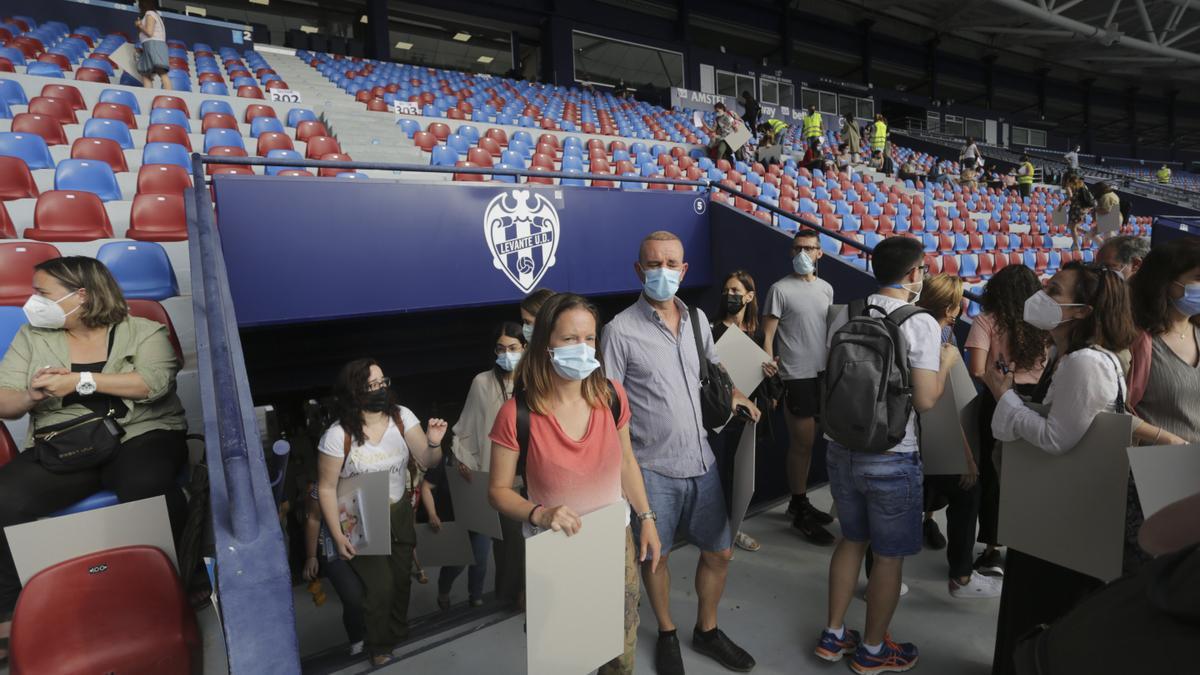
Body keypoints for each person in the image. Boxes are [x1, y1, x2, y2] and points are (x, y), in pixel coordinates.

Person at [980, 262, 1182, 675]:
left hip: (1063, 523)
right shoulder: (1067, 355)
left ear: (1082, 311)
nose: (1041, 296)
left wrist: (1005, 398)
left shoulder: (1084, 363)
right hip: (1054, 517)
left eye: (1054, 291)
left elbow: (1057, 438)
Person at [602, 231, 760, 674]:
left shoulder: (694, 320)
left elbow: (714, 372)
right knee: (657, 557)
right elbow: (611, 409)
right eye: (654, 264)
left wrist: (738, 396)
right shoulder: (619, 331)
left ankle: (706, 630)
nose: (663, 272)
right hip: (651, 469)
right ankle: (668, 630)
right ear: (639, 270)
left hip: (702, 461)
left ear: (684, 270)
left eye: (672, 264)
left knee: (720, 552)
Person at [0, 256, 188, 623]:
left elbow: (153, 384)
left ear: (81, 296)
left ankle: (178, 579)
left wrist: (80, 381)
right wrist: (30, 397)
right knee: (4, 498)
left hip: (142, 432)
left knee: (146, 483)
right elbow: (5, 400)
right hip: (66, 440)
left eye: (42, 293)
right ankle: (10, 612)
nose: (32, 301)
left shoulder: (145, 330)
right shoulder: (31, 337)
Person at [488, 293, 662, 675]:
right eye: (569, 339)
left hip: (613, 545)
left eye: (589, 338)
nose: (582, 348)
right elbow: (498, 490)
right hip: (556, 553)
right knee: (565, 660)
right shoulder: (516, 413)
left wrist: (646, 517)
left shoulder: (612, 395)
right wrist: (540, 512)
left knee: (618, 653)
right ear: (545, 342)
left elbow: (627, 462)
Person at [815, 236, 958, 673]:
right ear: (915, 273)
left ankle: (833, 634)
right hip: (893, 454)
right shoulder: (921, 323)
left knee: (850, 540)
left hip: (842, 447)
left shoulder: (848, 311)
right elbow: (927, 399)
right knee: (889, 556)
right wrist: (948, 361)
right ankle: (873, 649)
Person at [316, 359, 447, 667]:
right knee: (380, 587)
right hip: (362, 513)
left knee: (402, 579)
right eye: (370, 385)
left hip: (399, 509)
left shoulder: (402, 417)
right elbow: (325, 489)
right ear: (354, 392)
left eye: (382, 382)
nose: (380, 389)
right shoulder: (337, 436)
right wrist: (337, 535)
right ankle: (379, 645)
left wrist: (434, 442)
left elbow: (428, 460)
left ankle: (397, 630)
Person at [914, 275, 1002, 599]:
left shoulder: (920, 328)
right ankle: (961, 577)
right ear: (951, 307)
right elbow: (940, 404)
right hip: (926, 435)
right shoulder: (937, 340)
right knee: (968, 489)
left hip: (911, 436)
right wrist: (966, 457)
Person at [964, 265, 1050, 578]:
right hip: (1037, 400)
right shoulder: (1043, 323)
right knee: (1031, 472)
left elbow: (976, 369)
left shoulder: (986, 321)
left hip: (999, 399)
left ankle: (992, 550)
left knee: (994, 474)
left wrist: (1001, 382)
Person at [440, 322, 526, 609]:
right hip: (490, 475)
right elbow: (467, 427)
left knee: (516, 543)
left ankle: (512, 596)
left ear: (524, 348)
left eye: (512, 348)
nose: (506, 354)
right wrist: (463, 456)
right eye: (500, 348)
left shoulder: (535, 381)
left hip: (527, 474)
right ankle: (453, 586)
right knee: (476, 546)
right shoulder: (482, 383)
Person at [762, 231, 835, 545]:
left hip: (824, 376)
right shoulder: (779, 289)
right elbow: (768, 337)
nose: (803, 252)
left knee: (817, 442)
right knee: (802, 444)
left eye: (809, 248)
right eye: (798, 248)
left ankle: (798, 501)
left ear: (820, 253)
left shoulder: (826, 289)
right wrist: (772, 377)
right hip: (795, 376)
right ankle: (800, 505)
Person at [711, 270, 782, 553]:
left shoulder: (757, 333)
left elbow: (769, 373)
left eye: (737, 291)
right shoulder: (712, 330)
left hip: (750, 414)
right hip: (720, 414)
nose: (731, 296)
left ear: (750, 296)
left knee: (742, 475)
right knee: (721, 473)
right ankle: (718, 530)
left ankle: (735, 526)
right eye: (727, 290)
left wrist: (770, 371)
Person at [1126, 237, 1200, 444]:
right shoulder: (1137, 340)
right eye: (1199, 277)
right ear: (1166, 281)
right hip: (1154, 467)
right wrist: (1166, 439)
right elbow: (1111, 410)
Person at [302, 483, 366, 655]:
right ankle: (357, 641)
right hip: (332, 550)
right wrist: (311, 556)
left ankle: (373, 635)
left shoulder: (364, 470)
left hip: (363, 544)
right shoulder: (320, 487)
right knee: (352, 597)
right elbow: (314, 519)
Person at [134, 0, 172, 90]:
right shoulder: (153, 14)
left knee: (161, 72)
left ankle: (169, 96)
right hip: (151, 46)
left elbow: (149, 32)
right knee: (145, 73)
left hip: (154, 45)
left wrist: (139, 25)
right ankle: (148, 96)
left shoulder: (150, 14)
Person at [1064, 174, 1097, 252]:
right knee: (1071, 226)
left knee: (1073, 228)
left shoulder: (1073, 187)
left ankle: (1076, 245)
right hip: (1080, 209)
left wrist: (1064, 202)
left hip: (1076, 209)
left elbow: (1071, 197)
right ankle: (1087, 234)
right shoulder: (1083, 185)